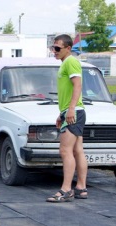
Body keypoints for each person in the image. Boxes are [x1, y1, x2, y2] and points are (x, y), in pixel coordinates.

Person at [47, 34, 88, 202]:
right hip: (72, 111)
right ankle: (81, 188)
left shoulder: (71, 62)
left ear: (68, 48)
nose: (54, 51)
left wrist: (70, 110)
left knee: (65, 151)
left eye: (57, 48)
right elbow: (69, 91)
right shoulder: (66, 63)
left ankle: (66, 190)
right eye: (52, 48)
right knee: (77, 150)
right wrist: (63, 113)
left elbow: (77, 86)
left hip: (74, 112)